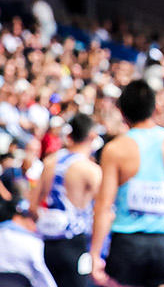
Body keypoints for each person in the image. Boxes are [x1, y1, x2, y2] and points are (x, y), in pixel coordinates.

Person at [90, 79, 164, 287]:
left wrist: (95, 254)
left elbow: (104, 206)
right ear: (155, 109)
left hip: (127, 244)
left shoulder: (115, 149)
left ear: (122, 112)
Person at [29, 114, 100, 287]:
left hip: (49, 244)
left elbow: (32, 207)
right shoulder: (91, 170)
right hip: (76, 243)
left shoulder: (50, 162)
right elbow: (105, 211)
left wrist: (48, 223)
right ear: (91, 136)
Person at [0, 173, 58, 287]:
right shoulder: (33, 244)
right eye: (29, 217)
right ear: (17, 216)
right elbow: (45, 280)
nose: (33, 223)